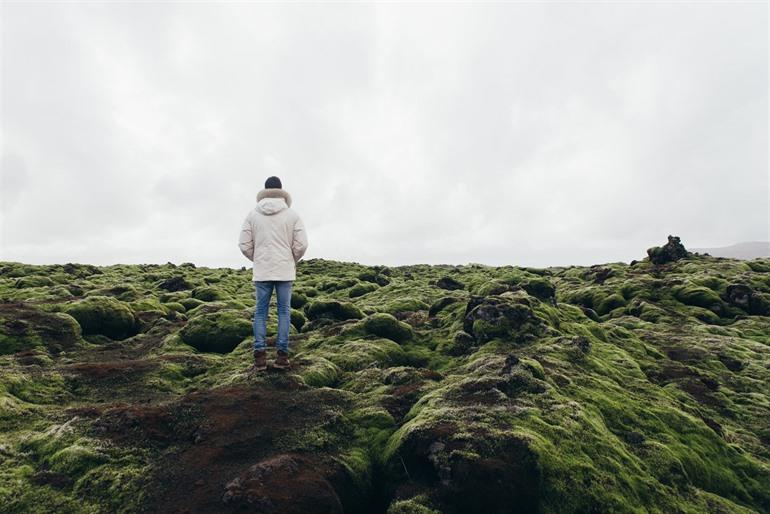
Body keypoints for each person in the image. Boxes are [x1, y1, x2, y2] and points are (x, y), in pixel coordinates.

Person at [238, 176, 308, 373]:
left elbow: (244, 244)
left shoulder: (252, 215)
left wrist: (258, 258)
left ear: (265, 191)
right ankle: (282, 357)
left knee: (260, 313)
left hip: (262, 271)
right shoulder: (292, 215)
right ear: (282, 192)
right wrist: (290, 259)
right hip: (285, 270)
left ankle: (259, 359)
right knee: (284, 312)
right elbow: (302, 244)